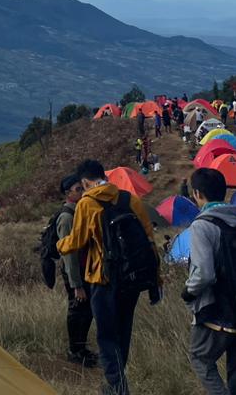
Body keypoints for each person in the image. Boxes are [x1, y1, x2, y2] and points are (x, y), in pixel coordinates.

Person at [57, 159, 161, 395]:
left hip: (103, 280)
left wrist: (59, 245)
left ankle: (118, 387)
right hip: (132, 280)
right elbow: (149, 240)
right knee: (123, 332)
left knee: (106, 335)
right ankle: (115, 383)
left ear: (85, 182)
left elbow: (78, 240)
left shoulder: (87, 203)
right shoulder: (130, 199)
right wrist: (156, 279)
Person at [182, 168, 236, 395]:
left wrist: (188, 291)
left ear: (197, 193)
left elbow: (204, 274)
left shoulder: (202, 225)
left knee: (199, 358)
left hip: (218, 312)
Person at [55, 173, 96, 368]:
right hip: (75, 271)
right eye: (77, 189)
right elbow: (68, 254)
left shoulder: (80, 212)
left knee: (86, 310)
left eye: (82, 188)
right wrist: (76, 284)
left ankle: (81, 348)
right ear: (67, 193)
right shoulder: (66, 217)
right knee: (77, 307)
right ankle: (75, 351)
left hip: (84, 268)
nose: (82, 192)